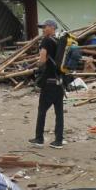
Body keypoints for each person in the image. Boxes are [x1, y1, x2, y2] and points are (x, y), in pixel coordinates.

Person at [29, 19, 65, 149]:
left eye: (44, 27)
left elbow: (43, 59)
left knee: (42, 111)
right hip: (60, 83)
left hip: (49, 83)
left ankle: (39, 138)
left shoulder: (46, 41)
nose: (43, 30)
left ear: (51, 27)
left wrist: (37, 67)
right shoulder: (59, 42)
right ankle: (59, 140)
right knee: (59, 113)